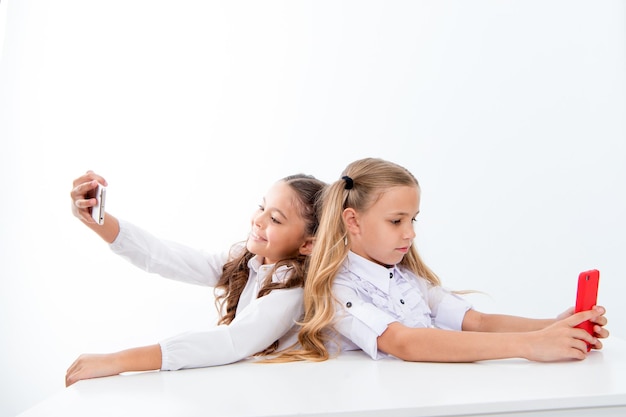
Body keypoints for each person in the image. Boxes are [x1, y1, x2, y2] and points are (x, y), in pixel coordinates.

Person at [276, 157, 609, 363]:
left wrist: (556, 327)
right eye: (396, 221)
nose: (410, 234)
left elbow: (476, 322)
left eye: (413, 220)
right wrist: (529, 346)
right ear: (353, 221)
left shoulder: (405, 277)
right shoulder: (338, 288)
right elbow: (403, 342)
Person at [65, 170, 326, 386]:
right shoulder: (248, 261)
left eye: (275, 219)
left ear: (308, 245)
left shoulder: (293, 289)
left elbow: (232, 342)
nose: (258, 220)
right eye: (262, 207)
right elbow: (164, 257)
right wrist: (97, 221)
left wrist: (116, 361)